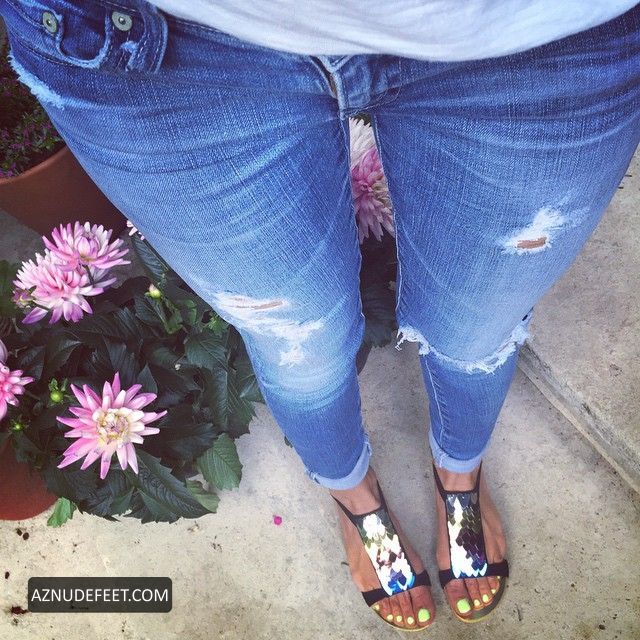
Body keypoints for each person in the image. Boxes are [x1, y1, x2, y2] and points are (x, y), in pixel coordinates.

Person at [2, 0, 638, 630]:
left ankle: (459, 476)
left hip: (532, 30)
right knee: (298, 344)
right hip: (165, 42)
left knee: (478, 330)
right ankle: (356, 498)